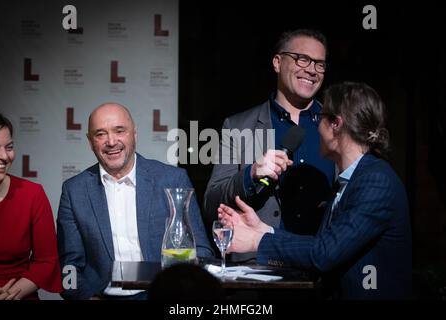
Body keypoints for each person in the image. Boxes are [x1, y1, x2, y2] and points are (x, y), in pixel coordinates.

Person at [218, 82, 412, 299]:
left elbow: (325, 253)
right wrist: (264, 230)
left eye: (320, 117)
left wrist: (256, 241)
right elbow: (324, 244)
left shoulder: (376, 182)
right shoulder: (351, 179)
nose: (317, 126)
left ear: (336, 124)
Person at [57, 103, 214, 300]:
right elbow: (68, 266)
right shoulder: (74, 190)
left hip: (161, 296)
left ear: (134, 134)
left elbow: (201, 250)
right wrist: (86, 298)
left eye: (119, 131)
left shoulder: (172, 179)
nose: (111, 141)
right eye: (100, 134)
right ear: (90, 141)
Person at [204, 29, 336, 262]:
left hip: (321, 267)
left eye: (319, 64)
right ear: (277, 62)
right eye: (302, 59)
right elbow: (211, 203)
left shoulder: (336, 125)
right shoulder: (240, 126)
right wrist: (250, 174)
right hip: (258, 267)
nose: (312, 70)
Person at [0, 110, 62, 300]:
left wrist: (11, 295)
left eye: (9, 147)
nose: (4, 156)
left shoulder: (32, 194)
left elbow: (47, 261)